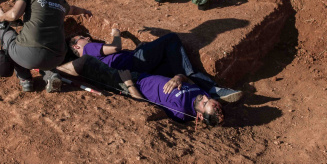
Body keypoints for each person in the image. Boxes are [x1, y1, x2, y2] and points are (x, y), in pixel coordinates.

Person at [0, 0, 92, 92]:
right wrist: (85, 11)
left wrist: (2, 16)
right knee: (43, 51)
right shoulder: (60, 1)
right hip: (57, 57)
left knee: (5, 31)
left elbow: (14, 14)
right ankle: (51, 74)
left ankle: (25, 79)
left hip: (28, 55)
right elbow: (72, 9)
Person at [68, 29, 243, 103]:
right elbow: (116, 47)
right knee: (171, 39)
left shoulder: (89, 63)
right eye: (82, 37)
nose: (87, 38)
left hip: (138, 75)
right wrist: (116, 34)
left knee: (173, 63)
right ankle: (213, 89)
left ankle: (205, 97)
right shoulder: (88, 49)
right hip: (135, 62)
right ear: (76, 46)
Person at [56, 55, 224, 125]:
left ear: (200, 116)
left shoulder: (180, 111)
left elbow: (146, 107)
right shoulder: (204, 95)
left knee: (86, 61)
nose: (203, 98)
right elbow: (187, 78)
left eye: (205, 103)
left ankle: (52, 70)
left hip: (128, 83)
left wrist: (128, 83)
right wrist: (179, 78)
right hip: (143, 74)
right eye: (208, 99)